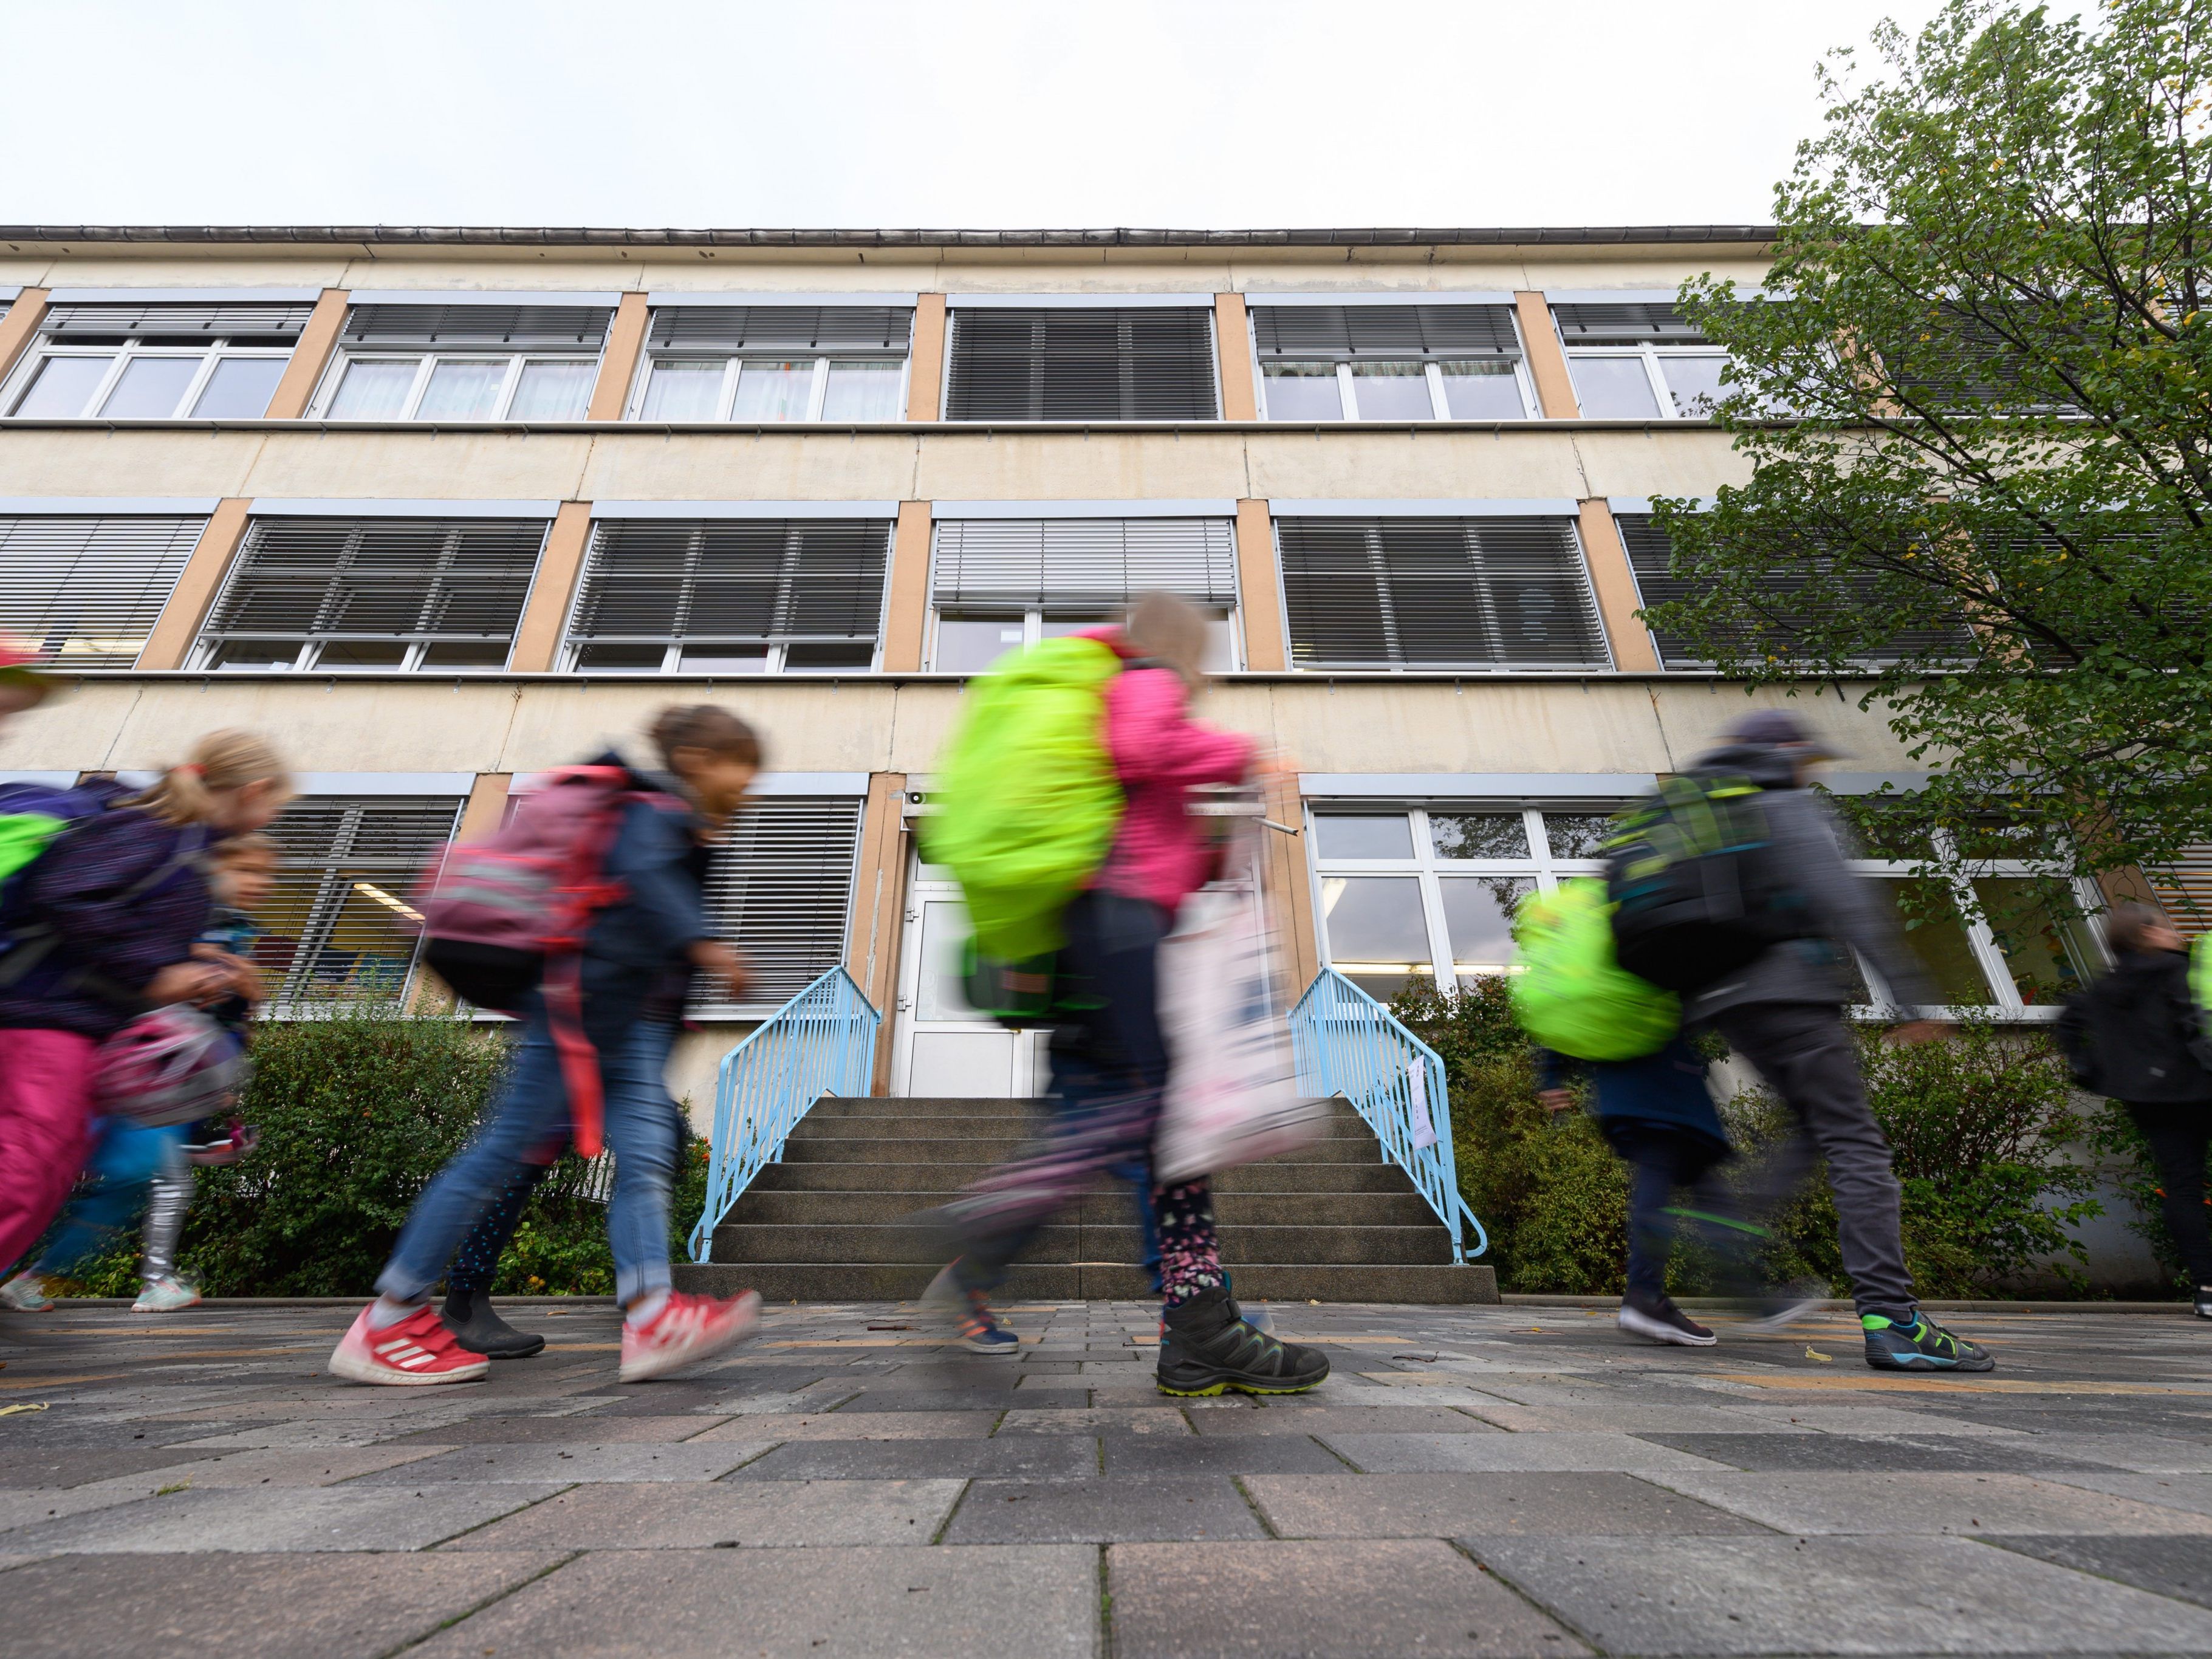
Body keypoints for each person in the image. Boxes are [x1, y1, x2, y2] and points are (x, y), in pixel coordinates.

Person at [933, 593, 1329, 1396]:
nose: (1205, 677)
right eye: (1205, 659)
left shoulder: (1118, 695)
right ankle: (1180, 1315)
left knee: (1144, 1129)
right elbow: (1143, 749)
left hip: (1109, 935)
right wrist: (1240, 756)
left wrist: (1216, 852)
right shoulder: (1147, 681)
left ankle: (1195, 1324)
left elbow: (1149, 817)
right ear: (1184, 651)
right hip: (1118, 931)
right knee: (1149, 1118)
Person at [330, 706, 763, 1387]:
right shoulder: (651, 812)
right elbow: (646, 884)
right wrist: (705, 942)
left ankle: (651, 1315)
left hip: (630, 1027)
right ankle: (387, 1318)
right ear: (700, 761)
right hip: (579, 1017)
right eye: (744, 765)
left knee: (647, 1158)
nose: (750, 783)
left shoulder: (685, 825)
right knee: (497, 1156)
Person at [1682, 708, 1993, 1372]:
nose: (1813, 769)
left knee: (1811, 1126)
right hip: (1794, 994)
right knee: (1855, 1141)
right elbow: (1844, 901)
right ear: (1789, 753)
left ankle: (1731, 1222)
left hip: (1729, 1004)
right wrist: (1908, 994)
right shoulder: (1786, 803)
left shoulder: (1705, 815)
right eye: (1809, 758)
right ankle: (1892, 1317)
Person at [0, 733, 287, 1292]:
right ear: (255, 790)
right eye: (278, 802)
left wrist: (188, 970)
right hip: (43, 1020)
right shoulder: (157, 833)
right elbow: (69, 895)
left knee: (51, 1169)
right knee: (30, 1166)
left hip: (74, 1026)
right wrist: (156, 972)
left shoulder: (183, 845)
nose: (274, 815)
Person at [1537, 1035, 1764, 1346]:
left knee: (1694, 1177)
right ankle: (1649, 1295)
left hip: (1626, 1085)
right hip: (1661, 1081)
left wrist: (1552, 1073)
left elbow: (1565, 1008)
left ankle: (1755, 1294)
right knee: (1673, 1169)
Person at [2058, 902, 2212, 1318]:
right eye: (2167, 927)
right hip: (2200, 1087)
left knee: (2182, 1187)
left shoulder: (2103, 987)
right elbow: (2193, 1021)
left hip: (2147, 1099)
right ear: (2145, 933)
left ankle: (2205, 1288)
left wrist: (2092, 1071)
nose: (2175, 934)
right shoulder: (2176, 969)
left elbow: (2069, 1024)